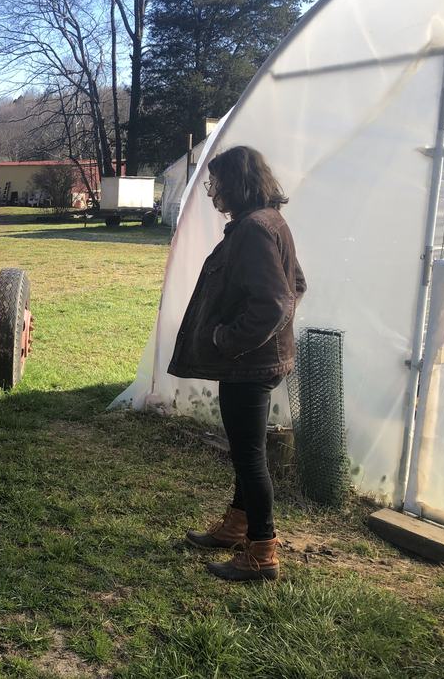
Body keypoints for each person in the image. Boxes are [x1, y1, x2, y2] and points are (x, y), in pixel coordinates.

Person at [168, 146, 306, 581]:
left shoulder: (253, 230)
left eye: (217, 183)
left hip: (249, 364)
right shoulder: (270, 221)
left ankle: (263, 552)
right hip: (259, 360)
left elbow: (274, 302)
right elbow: (296, 285)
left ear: (238, 182)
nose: (213, 193)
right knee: (247, 453)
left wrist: (226, 339)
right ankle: (237, 525)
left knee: (249, 457)